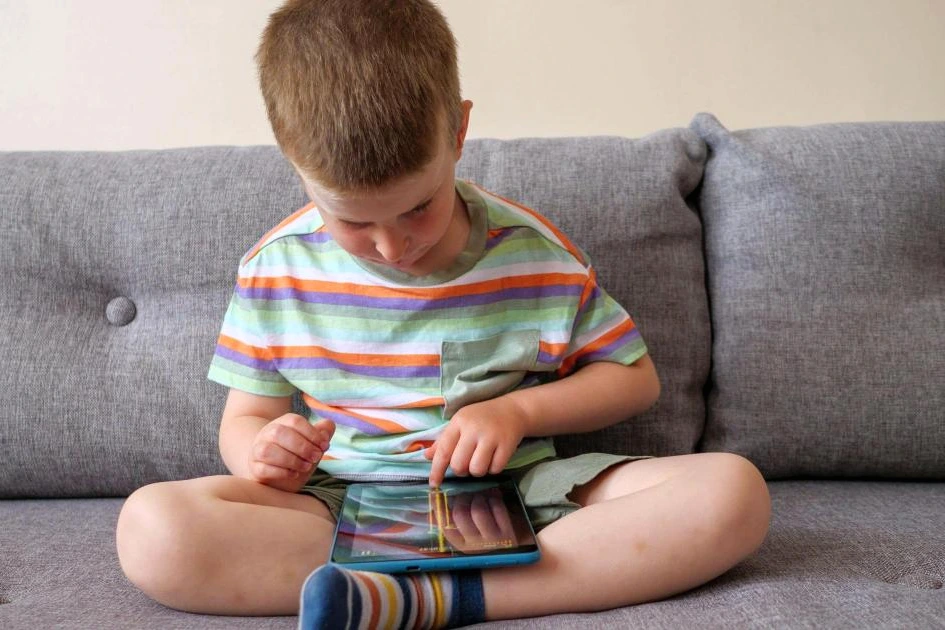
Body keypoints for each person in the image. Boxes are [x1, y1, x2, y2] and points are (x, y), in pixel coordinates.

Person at [115, 1, 771, 627]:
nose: (394, 247)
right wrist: (261, 455)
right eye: (354, 221)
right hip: (333, 503)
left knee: (732, 492)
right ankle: (424, 582)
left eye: (417, 207)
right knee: (152, 529)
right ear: (296, 167)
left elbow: (635, 379)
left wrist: (515, 412)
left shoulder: (531, 253)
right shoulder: (273, 269)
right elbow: (247, 419)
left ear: (458, 132)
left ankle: (429, 599)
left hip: (520, 495)